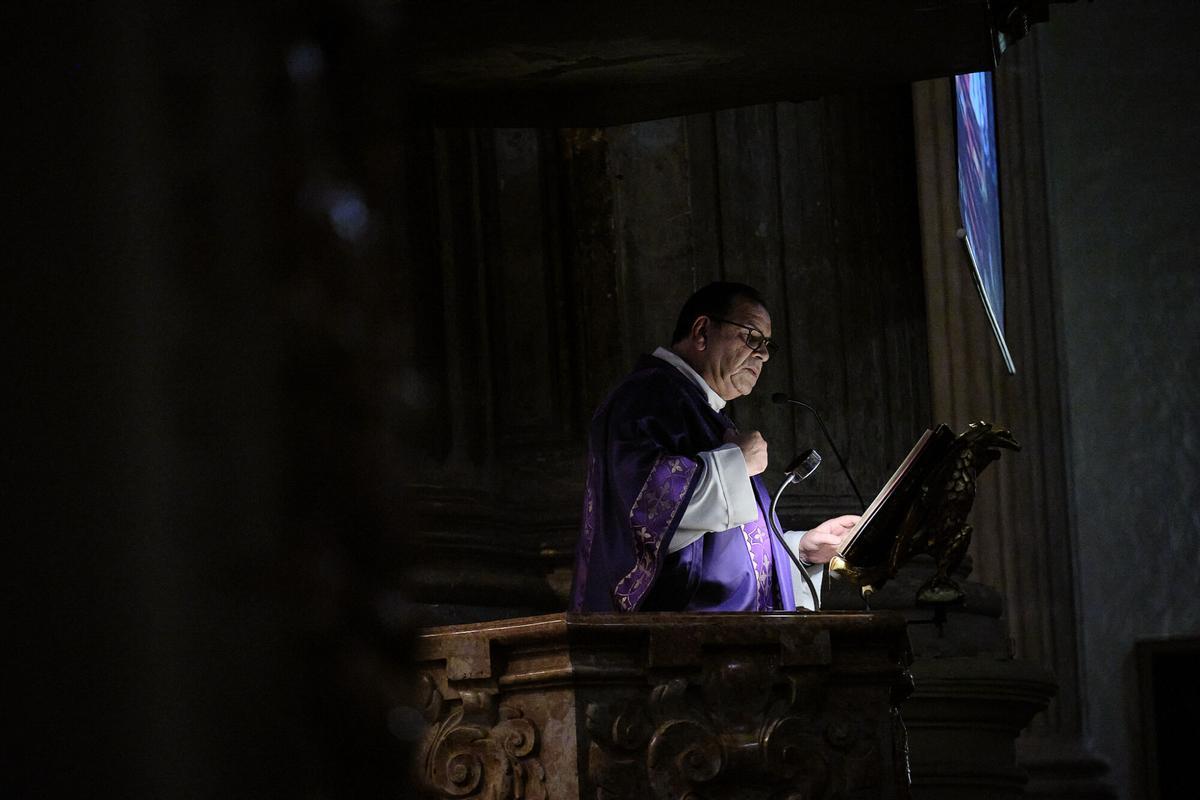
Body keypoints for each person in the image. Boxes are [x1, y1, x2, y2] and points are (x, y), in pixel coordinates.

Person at [569, 282, 859, 613]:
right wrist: (736, 463)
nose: (763, 355)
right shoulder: (649, 395)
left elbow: (722, 552)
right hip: (679, 646)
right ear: (702, 331)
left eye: (767, 346)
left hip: (729, 640)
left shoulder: (702, 411)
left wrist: (801, 550)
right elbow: (640, 514)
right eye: (752, 338)